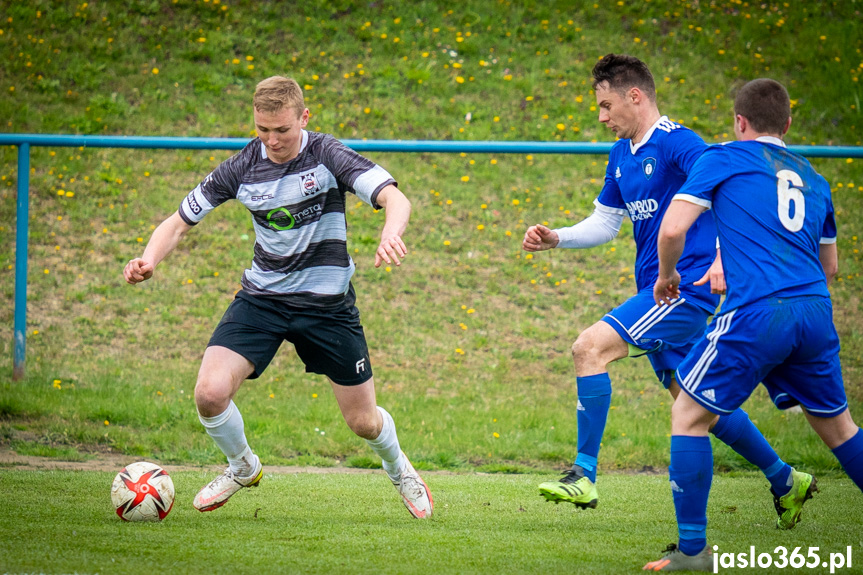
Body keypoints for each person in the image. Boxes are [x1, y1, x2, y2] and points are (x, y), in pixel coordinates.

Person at [123, 76, 433, 519]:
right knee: (209, 394)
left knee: (363, 422)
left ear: (304, 118)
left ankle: (398, 467)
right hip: (263, 299)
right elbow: (177, 222)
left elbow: (395, 198)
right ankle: (242, 466)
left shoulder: (327, 154)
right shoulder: (242, 167)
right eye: (262, 130)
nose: (272, 141)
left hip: (327, 306)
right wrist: (148, 259)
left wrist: (390, 231)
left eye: (282, 130)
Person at [523, 55, 807, 526]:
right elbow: (606, 223)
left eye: (606, 105)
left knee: (588, 348)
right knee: (695, 403)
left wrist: (720, 258)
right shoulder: (622, 155)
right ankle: (785, 479)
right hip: (660, 292)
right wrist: (559, 237)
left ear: (635, 96)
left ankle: (583, 473)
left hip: (682, 291)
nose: (601, 117)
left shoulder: (680, 144)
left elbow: (730, 190)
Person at [645, 78, 863, 571]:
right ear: (788, 124)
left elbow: (674, 226)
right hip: (814, 310)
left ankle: (693, 555)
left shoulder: (723, 157)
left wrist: (666, 275)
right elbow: (830, 267)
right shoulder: (815, 178)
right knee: (841, 430)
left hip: (758, 310)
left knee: (688, 414)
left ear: (739, 122)